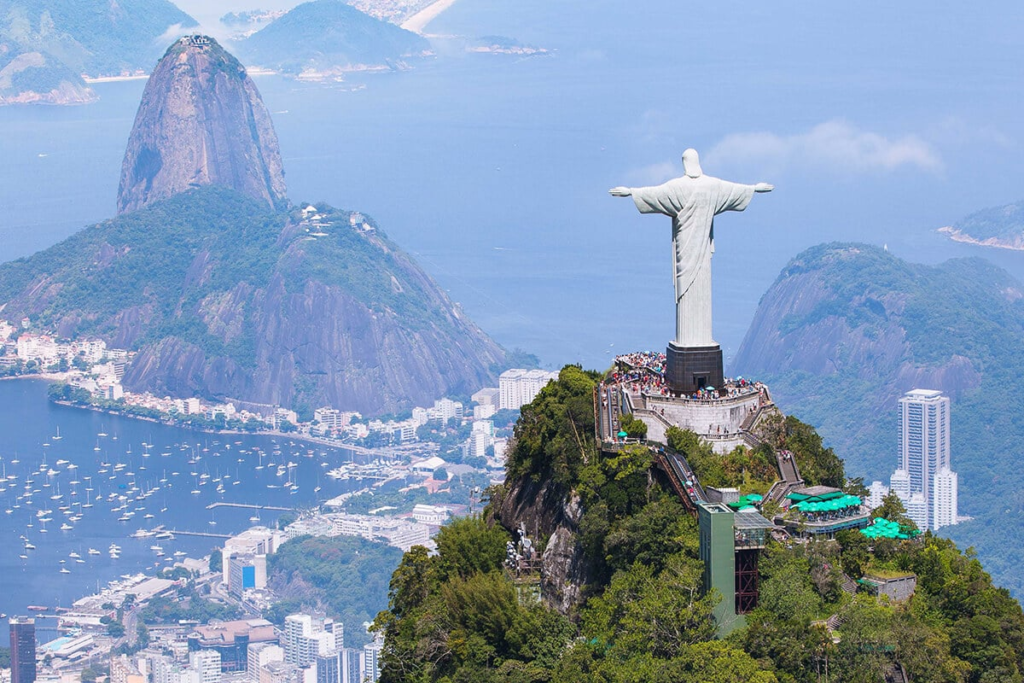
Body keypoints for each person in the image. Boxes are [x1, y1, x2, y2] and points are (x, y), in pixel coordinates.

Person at [610, 149, 772, 347]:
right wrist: (754, 188)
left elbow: (654, 194)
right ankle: (696, 340)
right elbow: (734, 190)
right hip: (702, 252)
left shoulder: (677, 187)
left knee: (688, 292)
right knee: (696, 292)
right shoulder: (712, 186)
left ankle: (690, 340)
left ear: (685, 163)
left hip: (684, 251)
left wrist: (631, 192)